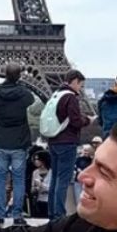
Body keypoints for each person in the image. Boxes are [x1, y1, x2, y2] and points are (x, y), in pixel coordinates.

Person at [0, 64, 34, 226]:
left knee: (0, 179)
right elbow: (31, 99)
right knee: (19, 180)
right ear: (19, 76)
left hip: (0, 140)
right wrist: (21, 83)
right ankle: (17, 216)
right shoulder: (23, 94)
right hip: (18, 142)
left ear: (4, 74)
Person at [46, 70, 93, 220]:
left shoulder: (56, 95)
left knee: (54, 178)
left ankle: (52, 212)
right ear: (74, 81)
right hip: (67, 142)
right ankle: (59, 214)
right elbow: (76, 121)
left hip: (53, 140)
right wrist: (88, 120)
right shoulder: (70, 97)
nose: (81, 88)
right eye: (80, 84)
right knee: (63, 179)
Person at [30, 150, 51, 218]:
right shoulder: (35, 172)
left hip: (48, 200)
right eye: (35, 159)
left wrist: (42, 186)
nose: (36, 161)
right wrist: (35, 189)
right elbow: (32, 188)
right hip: (39, 200)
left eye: (38, 159)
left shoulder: (51, 172)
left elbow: (51, 188)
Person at [72, 144, 93, 210]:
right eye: (85, 150)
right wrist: (78, 170)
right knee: (78, 198)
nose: (86, 152)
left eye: (87, 151)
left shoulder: (91, 160)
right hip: (78, 181)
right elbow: (74, 167)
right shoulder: (78, 159)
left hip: (87, 182)